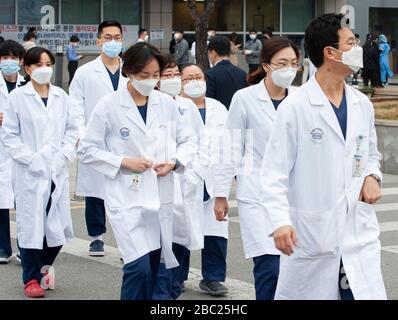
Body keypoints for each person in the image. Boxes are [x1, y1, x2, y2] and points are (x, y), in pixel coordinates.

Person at [261, 13, 386, 300]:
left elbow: (371, 155)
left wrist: (371, 175)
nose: (358, 50)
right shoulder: (295, 108)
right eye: (351, 43)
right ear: (330, 52)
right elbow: (273, 174)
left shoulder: (361, 104)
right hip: (313, 233)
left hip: (357, 231)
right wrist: (280, 222)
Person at [77, 43, 197, 300]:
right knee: (138, 268)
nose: (151, 81)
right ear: (129, 71)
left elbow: (189, 140)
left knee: (156, 267)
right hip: (127, 199)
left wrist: (175, 162)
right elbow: (86, 150)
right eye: (144, 76)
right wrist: (122, 161)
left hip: (161, 196)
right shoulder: (108, 105)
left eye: (155, 75)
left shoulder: (166, 103)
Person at [214, 38, 300, 300]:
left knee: (293, 269)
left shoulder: (302, 98)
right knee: (269, 267)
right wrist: (220, 193)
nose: (289, 69)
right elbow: (231, 146)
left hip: (295, 195)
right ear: (266, 65)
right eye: (282, 63)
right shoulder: (245, 98)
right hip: (257, 194)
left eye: (294, 63)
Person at [1, 47, 78, 298]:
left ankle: (45, 266)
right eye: (38, 64)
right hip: (30, 172)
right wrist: (31, 160)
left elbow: (72, 129)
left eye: (48, 63)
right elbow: (10, 135)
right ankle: (31, 278)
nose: (44, 68)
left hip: (56, 169)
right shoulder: (18, 98)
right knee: (32, 226)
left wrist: (64, 154)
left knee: (57, 227)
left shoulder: (61, 96)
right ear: (28, 68)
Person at [69, 20, 128, 257]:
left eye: (116, 37)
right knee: (94, 190)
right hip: (94, 138)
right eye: (107, 37)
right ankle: (96, 237)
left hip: (125, 139)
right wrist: (81, 135)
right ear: (98, 41)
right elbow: (75, 105)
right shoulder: (85, 72)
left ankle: (126, 239)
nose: (112, 42)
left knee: (125, 191)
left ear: (122, 40)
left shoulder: (131, 70)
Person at [153, 56, 203, 300]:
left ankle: (174, 287)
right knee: (163, 242)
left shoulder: (188, 106)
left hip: (185, 180)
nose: (173, 79)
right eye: (167, 75)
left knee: (182, 239)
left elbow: (198, 142)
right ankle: (164, 292)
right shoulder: (152, 105)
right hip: (159, 179)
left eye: (175, 75)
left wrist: (194, 173)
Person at [180, 63, 230, 297]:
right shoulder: (173, 107)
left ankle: (213, 278)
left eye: (198, 77)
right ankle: (177, 276)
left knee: (216, 231)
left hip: (213, 179)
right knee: (181, 230)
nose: (194, 82)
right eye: (188, 78)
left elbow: (228, 145)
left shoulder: (219, 108)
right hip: (184, 177)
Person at [0, 40, 25, 264]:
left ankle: (24, 249)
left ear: (21, 61)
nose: (9, 62)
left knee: (25, 202)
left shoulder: (27, 86)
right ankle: (2, 248)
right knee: (1, 201)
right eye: (4, 58)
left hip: (21, 150)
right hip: (1, 150)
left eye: (13, 58)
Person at [206, 35, 247, 110]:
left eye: (209, 53)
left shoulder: (210, 74)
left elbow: (208, 101)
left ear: (213, 53)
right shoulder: (242, 73)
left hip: (219, 118)